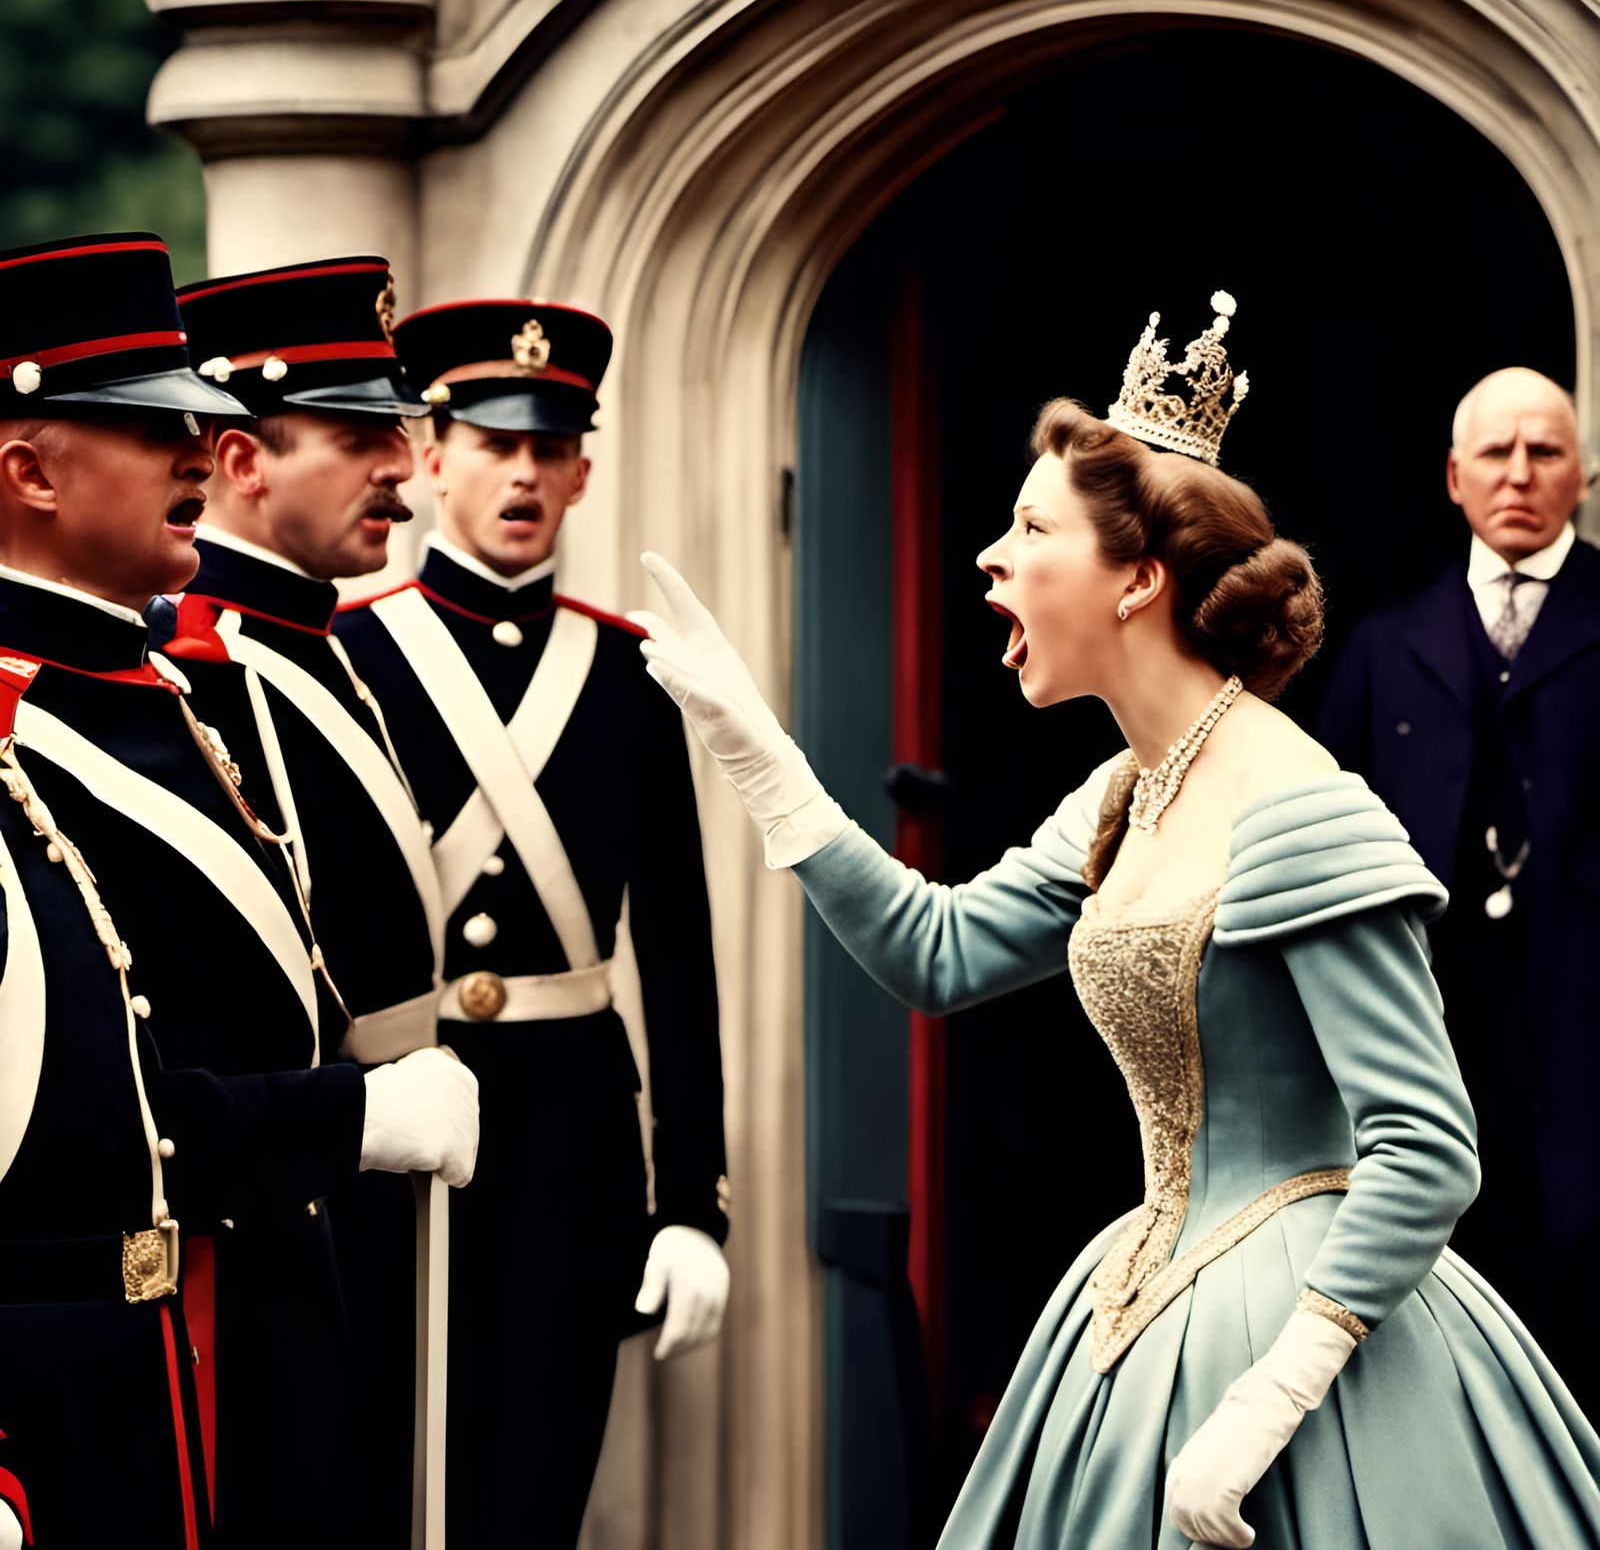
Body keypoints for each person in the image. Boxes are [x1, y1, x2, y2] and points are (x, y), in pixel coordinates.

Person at [631, 298, 1600, 1546]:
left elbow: (1425, 1146)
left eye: (1032, 528)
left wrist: (1272, 1397)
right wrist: (757, 751)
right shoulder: (1121, 794)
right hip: (1144, 1301)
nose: (990, 558)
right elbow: (939, 952)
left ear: (1139, 579)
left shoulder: (1297, 801)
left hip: (1312, 1344)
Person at [0, 232, 478, 1550]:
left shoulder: (161, 692)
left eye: (197, 426)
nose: (198, 456)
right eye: (150, 428)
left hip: (261, 1320)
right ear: (30, 471)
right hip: (94, 1381)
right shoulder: (21, 721)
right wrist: (350, 1115)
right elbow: (75, 1123)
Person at [334, 298, 731, 1548]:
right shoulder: (350, 655)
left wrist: (693, 1201)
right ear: (432, 457)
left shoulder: (629, 675)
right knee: (376, 1492)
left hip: (572, 1147)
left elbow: (679, 954)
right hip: (394, 1131)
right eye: (495, 444)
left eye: (549, 449)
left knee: (535, 1499)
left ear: (582, 474)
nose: (523, 474)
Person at [164, 253, 449, 1541]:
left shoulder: (315, 642)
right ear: (242, 459)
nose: (401, 470)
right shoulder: (204, 666)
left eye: (396, 434)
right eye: (355, 437)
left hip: (375, 1179)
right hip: (297, 1190)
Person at [1317, 365, 1600, 1414]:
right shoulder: (1385, 644)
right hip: (1429, 1025)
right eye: (1495, 452)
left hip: (1582, 1026)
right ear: (1452, 475)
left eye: (1544, 451)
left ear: (1582, 474)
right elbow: (1323, 840)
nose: (1519, 473)